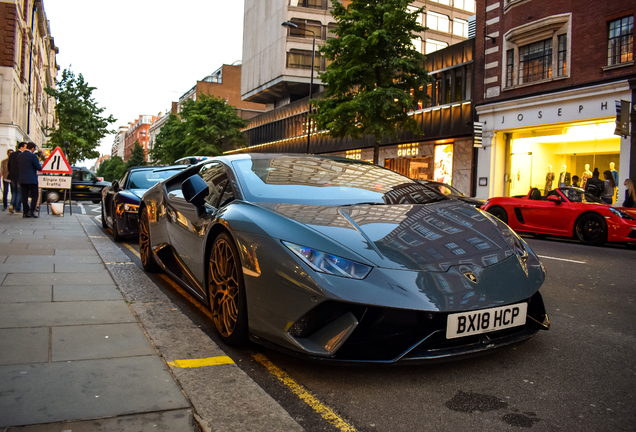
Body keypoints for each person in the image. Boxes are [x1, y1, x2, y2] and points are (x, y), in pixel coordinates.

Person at [18, 142, 42, 218]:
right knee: (34, 195)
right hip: (32, 179)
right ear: (32, 148)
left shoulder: (19, 156)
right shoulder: (33, 156)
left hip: (22, 179)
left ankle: (25, 212)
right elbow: (39, 168)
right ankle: (32, 211)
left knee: (24, 196)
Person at [7, 142, 26, 214]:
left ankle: (12, 204)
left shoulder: (12, 155)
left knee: (14, 192)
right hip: (19, 176)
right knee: (19, 192)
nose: (26, 148)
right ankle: (17, 208)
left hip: (12, 176)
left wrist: (10, 172)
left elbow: (9, 165)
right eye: (25, 147)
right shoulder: (22, 155)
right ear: (21, 147)